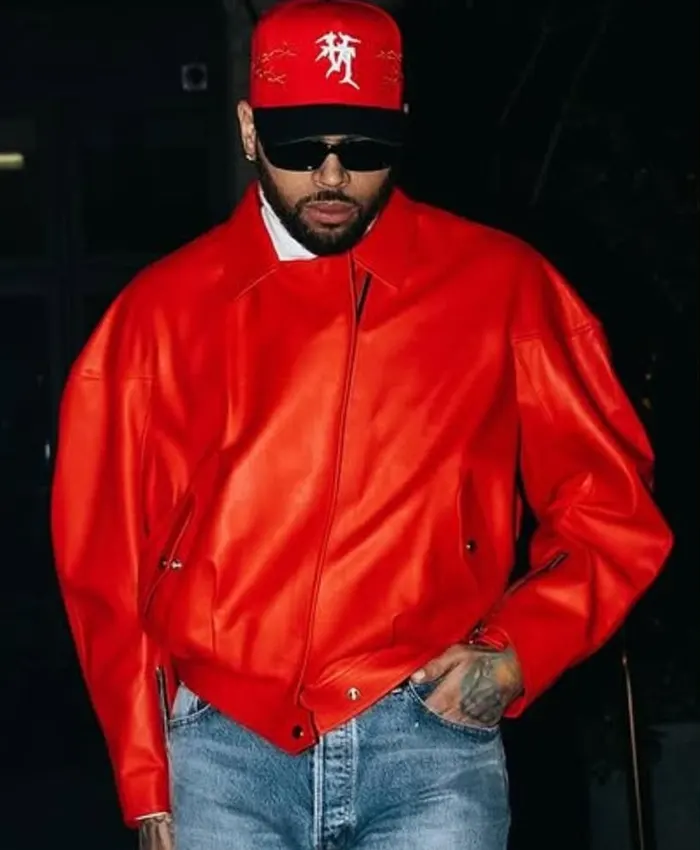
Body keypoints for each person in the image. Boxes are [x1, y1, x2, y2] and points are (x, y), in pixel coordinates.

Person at [50, 1, 673, 849]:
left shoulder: (502, 287)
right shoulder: (157, 315)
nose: (333, 175)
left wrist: (521, 649)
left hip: (429, 745)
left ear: (402, 128)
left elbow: (611, 503)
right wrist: (143, 775)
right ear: (249, 129)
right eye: (300, 146)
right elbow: (105, 564)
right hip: (224, 753)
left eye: (364, 148)